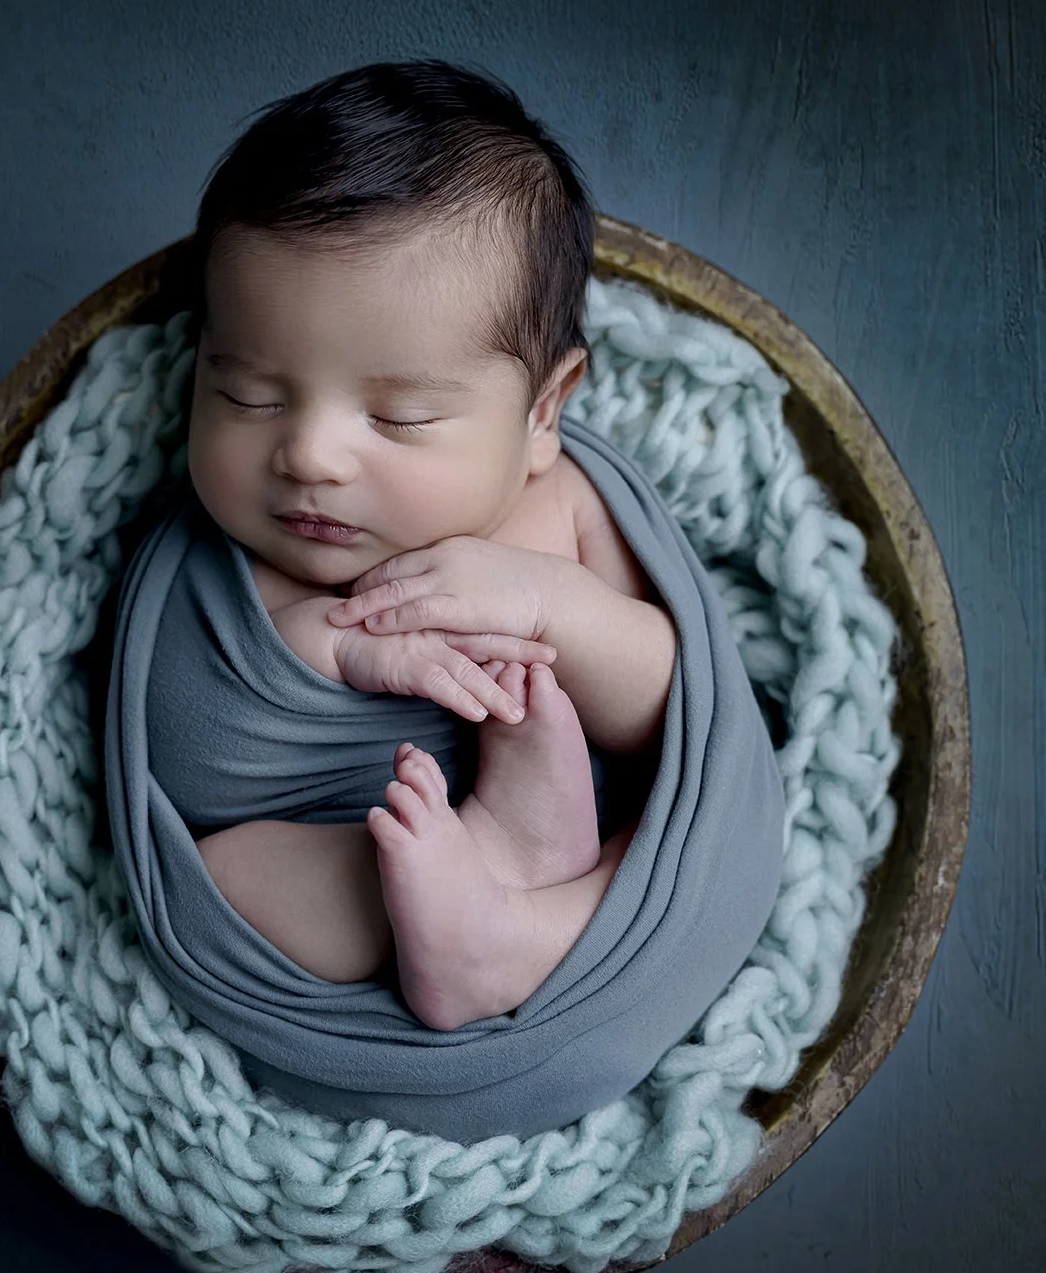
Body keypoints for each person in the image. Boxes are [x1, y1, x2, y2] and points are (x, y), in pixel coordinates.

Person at [167, 59, 675, 1033]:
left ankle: (525, 923)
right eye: (249, 395)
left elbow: (665, 708)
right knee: (222, 877)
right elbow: (184, 745)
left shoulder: (559, 508)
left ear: (542, 413)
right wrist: (334, 647)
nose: (307, 455)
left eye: (398, 417)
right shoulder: (228, 553)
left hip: (584, 857)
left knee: (677, 850)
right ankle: (468, 903)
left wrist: (546, 606)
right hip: (356, 865)